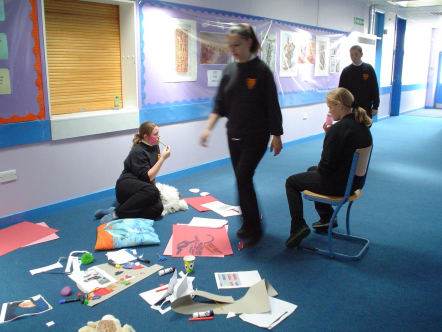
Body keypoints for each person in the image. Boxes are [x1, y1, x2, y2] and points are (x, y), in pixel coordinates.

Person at [200, 23, 283, 247]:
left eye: (237, 44)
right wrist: (208, 128)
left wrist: (277, 134)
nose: (233, 49)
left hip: (257, 135)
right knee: (241, 179)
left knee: (243, 176)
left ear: (248, 42)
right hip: (233, 134)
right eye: (230, 46)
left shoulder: (261, 71)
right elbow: (219, 104)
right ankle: (248, 222)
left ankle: (254, 227)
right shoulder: (229, 71)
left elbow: (272, 105)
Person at [285, 88, 372, 248]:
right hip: (355, 182)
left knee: (291, 182)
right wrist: (330, 136)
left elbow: (325, 168)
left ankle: (297, 226)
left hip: (338, 185)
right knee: (311, 169)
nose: (329, 112)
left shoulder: (339, 129)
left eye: (330, 107)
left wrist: (329, 137)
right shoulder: (361, 125)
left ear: (339, 105)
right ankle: (326, 218)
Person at [95, 122, 171, 224]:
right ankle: (116, 214)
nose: (159, 136)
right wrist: (162, 158)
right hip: (126, 187)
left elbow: (152, 174)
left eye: (158, 133)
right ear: (146, 137)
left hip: (141, 189)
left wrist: (153, 193)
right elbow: (148, 176)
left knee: (158, 208)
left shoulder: (155, 146)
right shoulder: (138, 151)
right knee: (152, 191)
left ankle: (118, 210)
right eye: (155, 134)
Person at [339, 45, 380, 119]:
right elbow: (341, 90)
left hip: (365, 106)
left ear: (361, 54)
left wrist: (375, 106)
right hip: (350, 107)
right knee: (351, 128)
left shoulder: (368, 69)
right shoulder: (346, 71)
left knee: (364, 128)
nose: (353, 56)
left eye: (356, 54)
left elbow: (374, 88)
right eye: (351, 54)